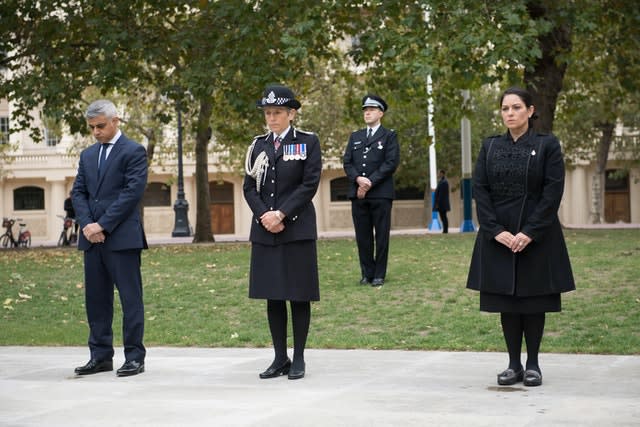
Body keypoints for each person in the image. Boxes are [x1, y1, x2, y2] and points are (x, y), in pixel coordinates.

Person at [466, 87, 575, 387]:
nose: (510, 113)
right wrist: (495, 230)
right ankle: (513, 364)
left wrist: (529, 232)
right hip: (498, 234)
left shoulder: (547, 145)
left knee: (533, 301)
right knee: (508, 302)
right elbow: (481, 190)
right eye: (505, 108)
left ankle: (534, 364)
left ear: (530, 111)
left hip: (537, 234)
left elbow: (553, 192)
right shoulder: (489, 147)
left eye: (516, 107)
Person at [243, 84, 322, 380]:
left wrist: (282, 213)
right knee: (273, 295)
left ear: (291, 113)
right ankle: (279, 358)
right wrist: (264, 214)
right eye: (268, 112)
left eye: (277, 112)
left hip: (296, 229)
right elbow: (249, 186)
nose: (272, 118)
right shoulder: (257, 145)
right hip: (266, 231)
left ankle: (298, 357)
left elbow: (309, 184)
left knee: (298, 295)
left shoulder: (307, 142)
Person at [72, 99, 148, 377]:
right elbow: (78, 192)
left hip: (122, 238)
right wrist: (88, 224)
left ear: (116, 120)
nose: (96, 132)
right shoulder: (87, 156)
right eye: (92, 127)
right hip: (92, 239)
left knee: (130, 299)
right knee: (96, 299)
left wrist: (103, 224)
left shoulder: (134, 151)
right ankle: (101, 356)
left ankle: (135, 357)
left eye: (100, 126)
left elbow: (132, 193)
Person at [343, 94, 399, 287]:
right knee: (363, 235)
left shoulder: (389, 135)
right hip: (358, 194)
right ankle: (367, 273)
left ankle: (379, 274)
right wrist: (358, 179)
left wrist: (369, 182)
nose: (367, 113)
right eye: (365, 110)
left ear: (380, 113)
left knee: (381, 235)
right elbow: (347, 162)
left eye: (372, 110)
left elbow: (391, 163)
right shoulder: (355, 136)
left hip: (380, 193)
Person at [434, 169, 450, 233]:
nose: (438, 174)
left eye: (439, 173)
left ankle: (445, 230)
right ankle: (445, 230)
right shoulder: (442, 181)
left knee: (444, 217)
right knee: (442, 217)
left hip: (442, 203)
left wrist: (438, 203)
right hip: (441, 203)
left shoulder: (444, 182)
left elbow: (442, 194)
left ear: (442, 174)